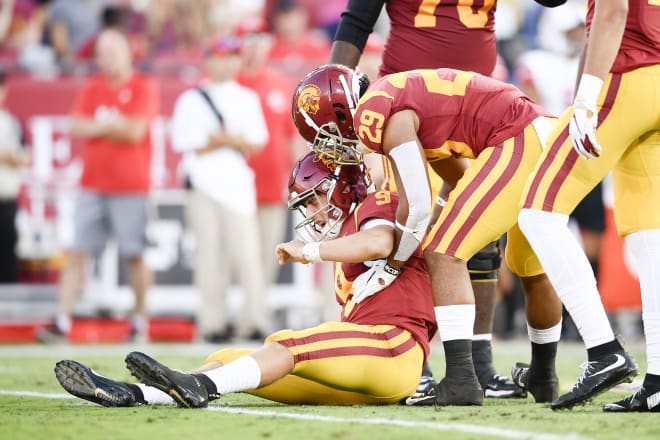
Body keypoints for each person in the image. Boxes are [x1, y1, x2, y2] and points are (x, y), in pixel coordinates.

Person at [52, 151, 438, 408]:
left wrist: (313, 251)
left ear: (340, 187)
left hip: (395, 348)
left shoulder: (377, 205)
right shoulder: (345, 237)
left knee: (287, 342)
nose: (313, 212)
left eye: (314, 199)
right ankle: (136, 393)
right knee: (226, 359)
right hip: (367, 370)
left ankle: (199, 388)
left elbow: (381, 241)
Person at [326, 0, 567, 400]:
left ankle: (474, 364)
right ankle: (413, 355)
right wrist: (335, 86)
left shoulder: (383, 111)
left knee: (450, 238)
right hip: (442, 111)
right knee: (415, 227)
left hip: (467, 116)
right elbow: (357, 21)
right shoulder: (387, 109)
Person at [516, 0, 657, 411]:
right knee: (652, 237)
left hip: (625, 73)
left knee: (537, 212)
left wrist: (586, 100)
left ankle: (603, 351)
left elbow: (612, 12)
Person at [36, 28, 159, 343]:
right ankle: (62, 319)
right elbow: (76, 125)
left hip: (131, 185)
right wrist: (114, 125)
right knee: (78, 252)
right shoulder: (92, 87)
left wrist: (99, 126)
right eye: (103, 52)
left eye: (113, 50)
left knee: (135, 254)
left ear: (127, 52)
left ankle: (139, 320)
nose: (108, 58)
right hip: (92, 183)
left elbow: (135, 131)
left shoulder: (143, 85)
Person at [170, 34, 270, 343]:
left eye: (233, 57)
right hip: (203, 184)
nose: (228, 63)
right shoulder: (191, 99)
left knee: (248, 257)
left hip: (237, 186)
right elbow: (184, 142)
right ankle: (212, 323)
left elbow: (257, 140)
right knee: (208, 257)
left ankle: (253, 320)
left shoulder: (247, 98)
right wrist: (224, 140)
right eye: (222, 56)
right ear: (208, 60)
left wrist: (218, 140)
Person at [0, 69, 30, 283]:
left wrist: (8, 157)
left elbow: (25, 158)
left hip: (6, 199)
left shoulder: (11, 122)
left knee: (7, 255)